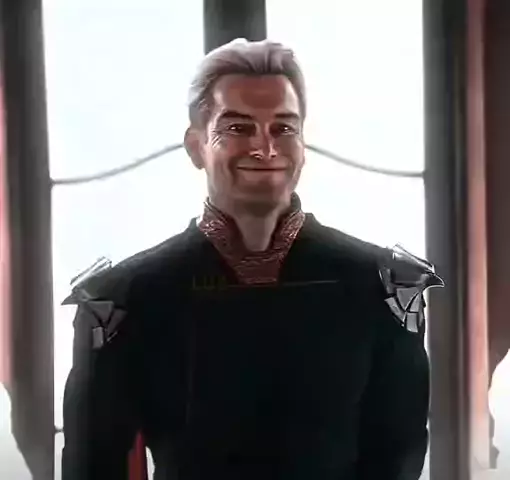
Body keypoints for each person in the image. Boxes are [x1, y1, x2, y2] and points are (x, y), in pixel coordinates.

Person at [61, 39, 442, 480]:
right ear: (196, 146)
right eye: (238, 128)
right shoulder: (122, 301)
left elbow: (396, 461)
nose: (265, 149)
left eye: (283, 128)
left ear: (303, 144)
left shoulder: (384, 289)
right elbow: (93, 466)